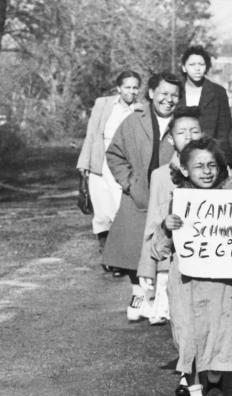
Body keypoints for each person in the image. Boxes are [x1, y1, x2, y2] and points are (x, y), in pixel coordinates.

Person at [151, 137, 232, 395]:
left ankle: (216, 379)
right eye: (199, 166)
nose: (207, 171)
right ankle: (194, 384)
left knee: (222, 333)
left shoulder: (231, 200)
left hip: (221, 285)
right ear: (185, 170)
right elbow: (158, 249)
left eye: (211, 165)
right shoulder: (179, 202)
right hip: (187, 286)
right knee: (190, 336)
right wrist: (166, 227)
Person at [105, 72, 181, 321]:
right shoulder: (134, 121)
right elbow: (114, 153)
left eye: (174, 95)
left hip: (168, 196)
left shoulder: (182, 124)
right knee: (132, 248)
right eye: (163, 94)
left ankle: (161, 300)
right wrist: (129, 183)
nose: (168, 100)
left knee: (163, 246)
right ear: (151, 94)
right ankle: (138, 295)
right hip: (138, 194)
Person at [136, 107, 206, 327]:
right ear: (170, 140)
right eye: (181, 132)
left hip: (207, 262)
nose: (188, 137)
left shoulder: (215, 172)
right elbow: (153, 224)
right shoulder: (160, 176)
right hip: (171, 263)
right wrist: (147, 267)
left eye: (194, 131)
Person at [76, 70, 142, 275]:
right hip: (99, 159)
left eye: (135, 87)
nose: (131, 91)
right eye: (127, 87)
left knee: (118, 208)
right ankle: (106, 252)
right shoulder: (103, 104)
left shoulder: (141, 109)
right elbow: (92, 134)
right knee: (101, 209)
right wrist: (84, 164)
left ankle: (120, 258)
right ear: (119, 88)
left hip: (122, 162)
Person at [177, 45, 232, 163]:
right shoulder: (176, 91)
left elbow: (225, 130)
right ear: (184, 67)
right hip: (178, 154)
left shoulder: (217, 92)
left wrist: (226, 161)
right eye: (192, 65)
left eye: (201, 65)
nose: (197, 69)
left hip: (208, 156)